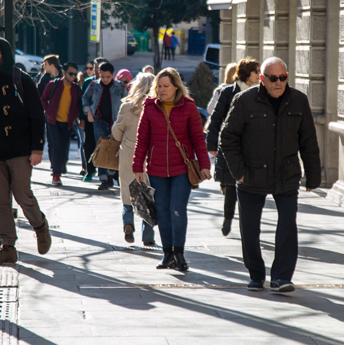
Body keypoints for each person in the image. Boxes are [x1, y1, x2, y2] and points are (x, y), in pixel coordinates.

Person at [220, 57, 320, 292]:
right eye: (273, 78)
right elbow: (228, 138)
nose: (278, 82)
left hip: (286, 175)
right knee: (250, 229)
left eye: (283, 78)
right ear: (262, 79)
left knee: (287, 225)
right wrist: (240, 173)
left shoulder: (298, 100)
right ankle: (256, 274)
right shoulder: (244, 100)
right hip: (251, 175)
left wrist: (313, 176)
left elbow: (308, 141)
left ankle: (282, 277)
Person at [0, 37, 51, 265]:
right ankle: (7, 246)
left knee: (22, 194)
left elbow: (37, 116)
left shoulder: (22, 80)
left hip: (20, 149)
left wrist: (37, 148)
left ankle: (39, 225)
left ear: (5, 55)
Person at [133, 68, 212, 271]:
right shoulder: (149, 106)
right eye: (158, 86)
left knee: (177, 209)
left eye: (165, 86)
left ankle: (179, 254)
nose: (161, 90)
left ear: (176, 86)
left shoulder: (189, 106)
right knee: (163, 211)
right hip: (156, 168)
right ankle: (167, 254)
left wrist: (204, 164)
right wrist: (137, 165)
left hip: (181, 169)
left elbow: (197, 138)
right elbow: (142, 139)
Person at [206, 58, 260, 236]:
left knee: (251, 187)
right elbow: (216, 119)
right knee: (230, 186)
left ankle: (248, 225)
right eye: (255, 71)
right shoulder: (228, 92)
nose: (259, 74)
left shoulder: (260, 92)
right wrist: (212, 144)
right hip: (232, 147)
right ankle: (228, 217)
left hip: (253, 148)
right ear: (246, 73)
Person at [112, 73, 157, 245]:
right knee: (148, 196)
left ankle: (128, 224)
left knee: (127, 195)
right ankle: (148, 236)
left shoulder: (127, 107)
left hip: (128, 157)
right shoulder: (156, 107)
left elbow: (116, 135)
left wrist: (117, 126)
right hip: (150, 158)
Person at [83, 61, 128, 190]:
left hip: (116, 123)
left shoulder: (120, 87)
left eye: (108, 77)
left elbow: (127, 103)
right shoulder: (94, 85)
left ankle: (112, 173)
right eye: (102, 76)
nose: (105, 79)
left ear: (113, 75)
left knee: (113, 148)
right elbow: (85, 99)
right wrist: (89, 112)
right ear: (99, 74)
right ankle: (103, 179)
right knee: (101, 149)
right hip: (99, 122)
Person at [41, 61, 84, 186]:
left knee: (64, 148)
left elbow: (79, 105)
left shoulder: (76, 88)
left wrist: (80, 118)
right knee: (56, 146)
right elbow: (43, 99)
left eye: (75, 74)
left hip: (67, 123)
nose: (73, 77)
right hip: (53, 121)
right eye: (71, 73)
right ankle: (56, 174)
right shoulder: (53, 84)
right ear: (64, 72)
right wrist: (49, 111)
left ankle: (60, 167)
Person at [80, 57, 107, 182]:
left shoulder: (112, 83)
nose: (96, 69)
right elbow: (82, 101)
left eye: (99, 66)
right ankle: (90, 170)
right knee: (88, 145)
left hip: (105, 120)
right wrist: (82, 117)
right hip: (90, 119)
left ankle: (108, 173)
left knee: (105, 146)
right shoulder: (88, 82)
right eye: (95, 66)